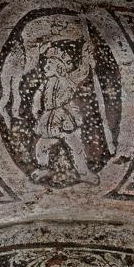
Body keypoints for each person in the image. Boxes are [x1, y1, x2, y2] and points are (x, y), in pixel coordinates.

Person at [30, 43, 100, 185]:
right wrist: (36, 108)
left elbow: (82, 71)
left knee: (75, 146)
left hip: (65, 116)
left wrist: (85, 56)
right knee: (42, 146)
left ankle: (83, 172)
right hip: (49, 119)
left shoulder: (69, 80)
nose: (45, 68)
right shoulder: (46, 83)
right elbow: (38, 96)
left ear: (59, 68)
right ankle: (43, 168)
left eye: (49, 65)